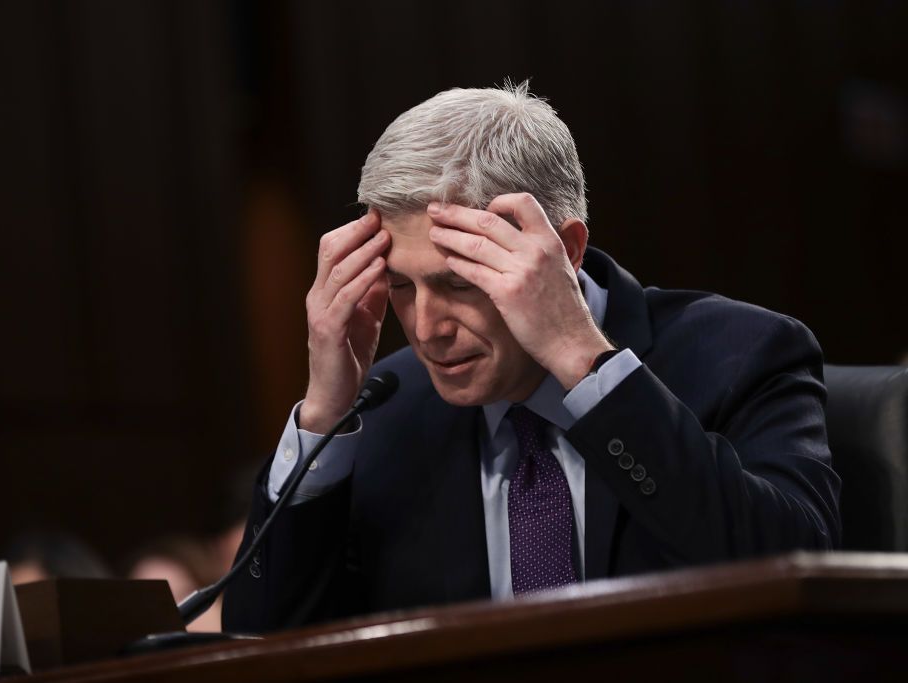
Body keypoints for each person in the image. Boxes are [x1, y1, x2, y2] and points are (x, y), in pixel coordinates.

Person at [222, 83, 840, 633]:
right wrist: (325, 415)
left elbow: (799, 573)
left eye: (461, 282)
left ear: (564, 251)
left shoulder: (739, 353)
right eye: (402, 287)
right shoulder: (386, 408)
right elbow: (261, 639)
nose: (427, 329)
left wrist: (579, 357)